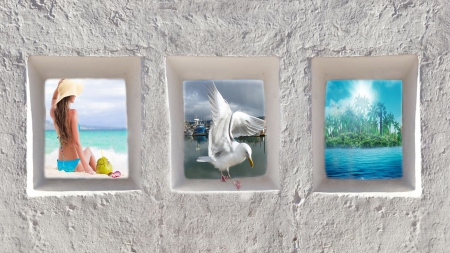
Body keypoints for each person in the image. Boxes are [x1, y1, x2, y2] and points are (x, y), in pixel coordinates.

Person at [50, 79, 96, 174]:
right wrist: (86, 167)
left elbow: (54, 99)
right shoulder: (73, 113)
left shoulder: (54, 113)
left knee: (86, 151)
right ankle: (98, 172)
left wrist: (58, 88)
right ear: (69, 95)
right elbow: (76, 143)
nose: (75, 95)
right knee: (88, 150)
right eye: (73, 92)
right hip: (74, 165)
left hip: (61, 165)